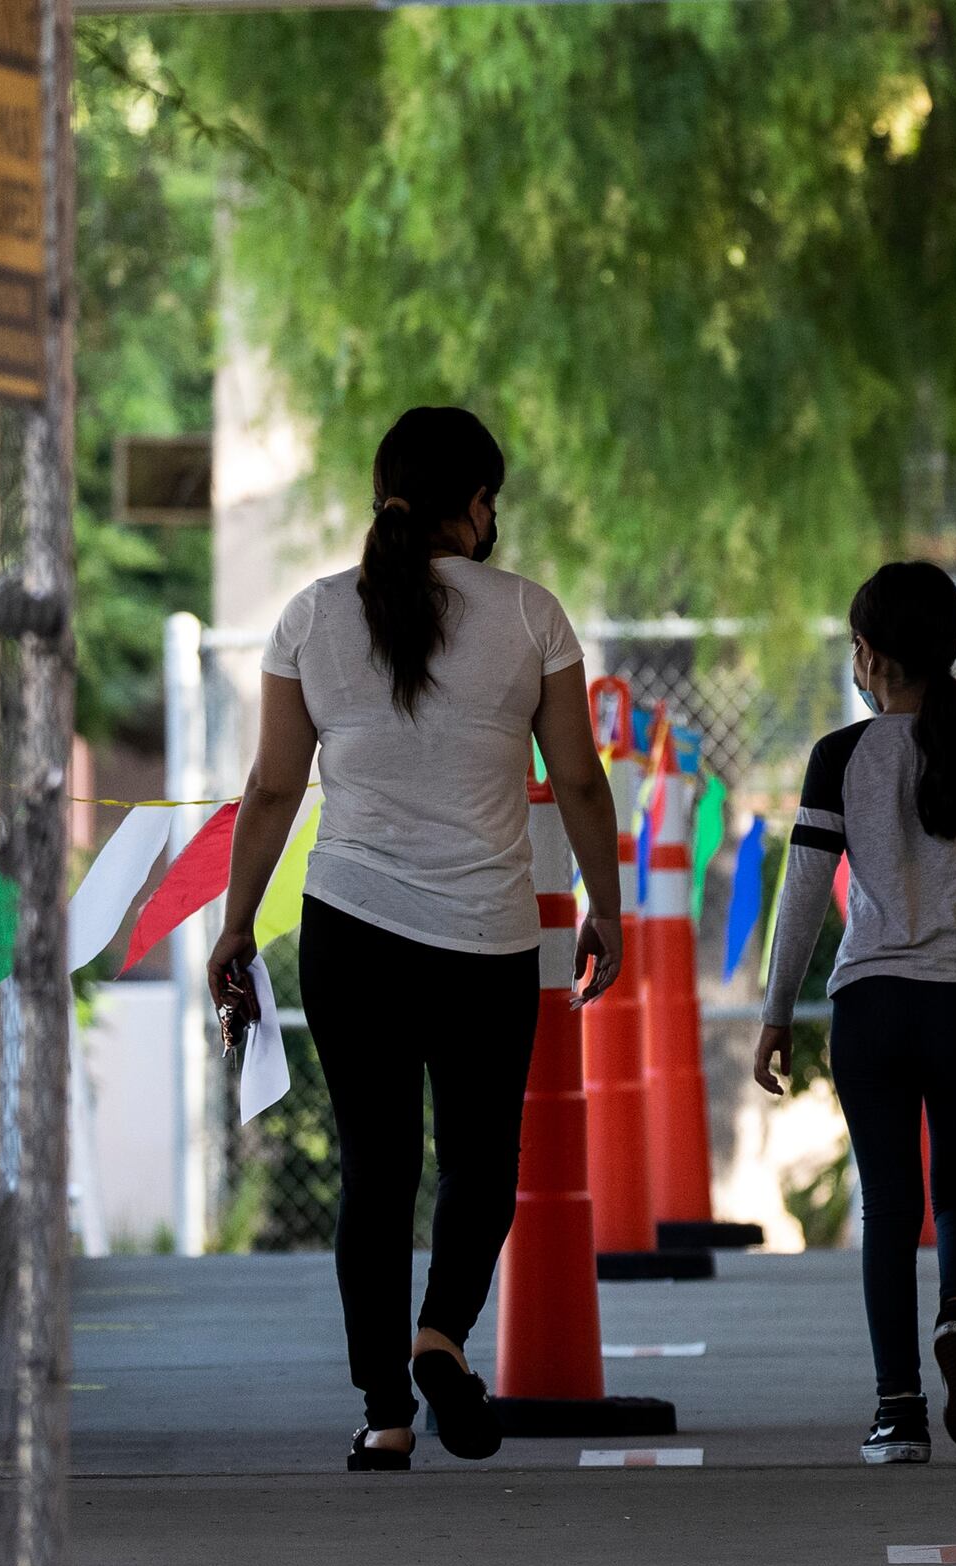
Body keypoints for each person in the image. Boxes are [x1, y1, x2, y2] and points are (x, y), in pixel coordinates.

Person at [207, 406, 624, 1473]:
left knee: (375, 1174)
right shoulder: (531, 617)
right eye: (493, 500)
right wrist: (605, 904)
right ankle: (441, 1335)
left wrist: (237, 922)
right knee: (481, 1165)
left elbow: (269, 789)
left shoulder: (309, 617)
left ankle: (384, 1412)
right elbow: (576, 779)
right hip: (484, 938)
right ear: (475, 506)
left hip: (349, 931)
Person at [753, 561, 956, 1466]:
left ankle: (898, 1414)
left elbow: (804, 898)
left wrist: (776, 1012)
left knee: (889, 1203)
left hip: (873, 1004)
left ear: (870, 656)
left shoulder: (840, 757)